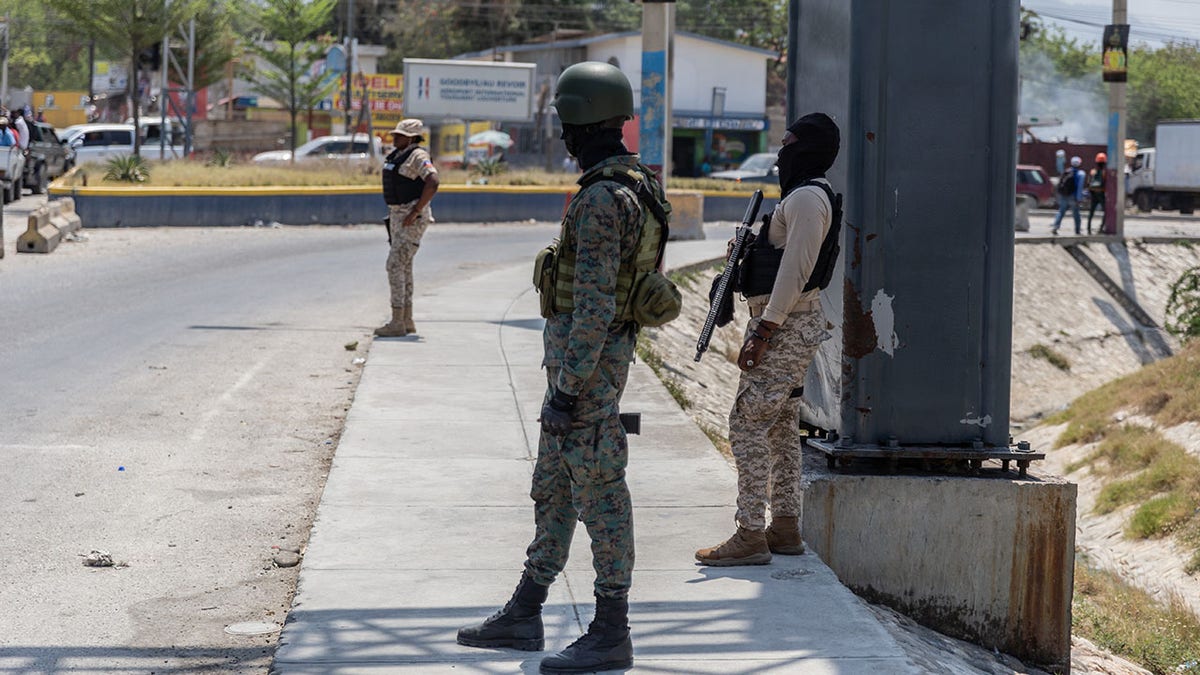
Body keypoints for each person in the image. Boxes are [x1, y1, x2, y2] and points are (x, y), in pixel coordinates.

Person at [457, 61, 670, 674]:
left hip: (589, 375)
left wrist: (570, 389)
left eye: (565, 124)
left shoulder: (604, 198)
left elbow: (598, 303)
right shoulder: (636, 184)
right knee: (552, 485)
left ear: (582, 122)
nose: (562, 137)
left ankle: (611, 629)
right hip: (583, 370)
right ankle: (526, 609)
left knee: (601, 493)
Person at [694, 113, 840, 567]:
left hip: (786, 328)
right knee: (778, 429)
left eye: (789, 142)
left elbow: (795, 271)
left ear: (808, 147)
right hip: (787, 325)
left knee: (746, 424)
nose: (781, 151)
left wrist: (763, 330)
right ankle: (784, 529)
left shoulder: (808, 201)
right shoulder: (803, 198)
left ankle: (750, 533)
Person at [375, 118, 439, 338]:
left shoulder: (418, 155)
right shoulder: (399, 155)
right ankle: (406, 319)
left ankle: (396, 321)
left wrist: (416, 211)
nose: (395, 138)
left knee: (394, 265)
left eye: (400, 135)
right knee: (404, 266)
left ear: (411, 137)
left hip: (410, 219)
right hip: (398, 218)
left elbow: (433, 181)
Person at [1052, 155, 1086, 236]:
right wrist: (1079, 199)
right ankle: (1077, 230)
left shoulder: (1066, 171)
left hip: (1064, 195)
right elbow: (1079, 188)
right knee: (1076, 214)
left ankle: (1055, 227)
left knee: (1061, 212)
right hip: (1073, 197)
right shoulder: (1081, 174)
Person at [1087, 152, 1107, 235]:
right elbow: (1106, 183)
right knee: (1106, 212)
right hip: (1101, 193)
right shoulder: (1105, 172)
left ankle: (1088, 228)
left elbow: (1088, 182)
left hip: (1093, 193)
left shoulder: (1092, 171)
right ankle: (1101, 227)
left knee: (1091, 211)